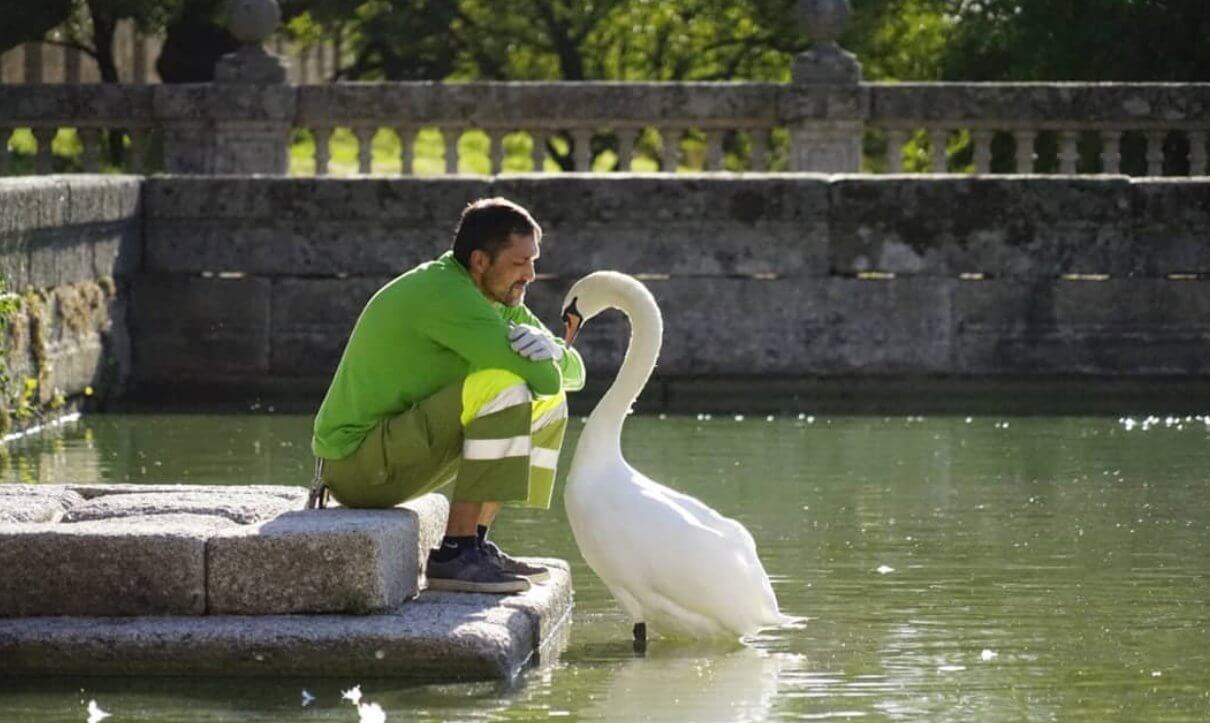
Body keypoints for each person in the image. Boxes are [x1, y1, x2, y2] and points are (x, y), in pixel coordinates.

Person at [310, 197, 585, 594]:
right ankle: (454, 554)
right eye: (520, 263)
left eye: (533, 261)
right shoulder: (445, 294)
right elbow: (541, 377)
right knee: (504, 385)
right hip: (356, 466)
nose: (531, 275)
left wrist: (557, 350)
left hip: (396, 455)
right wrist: (550, 359)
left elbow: (571, 377)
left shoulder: (497, 297)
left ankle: (475, 542)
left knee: (546, 403)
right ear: (479, 261)